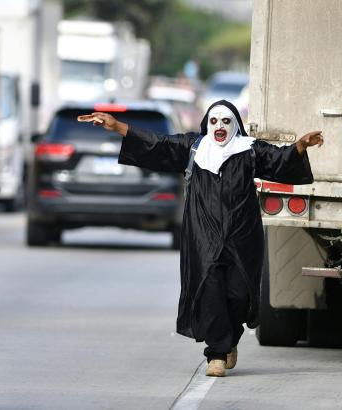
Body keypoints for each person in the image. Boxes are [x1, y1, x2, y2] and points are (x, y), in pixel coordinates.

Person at [78, 100, 323, 377]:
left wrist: (301, 145)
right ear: (207, 123)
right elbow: (157, 144)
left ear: (235, 125)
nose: (220, 126)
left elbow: (280, 159)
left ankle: (230, 340)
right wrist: (117, 126)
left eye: (226, 121)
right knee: (210, 290)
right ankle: (216, 354)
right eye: (215, 121)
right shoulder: (194, 147)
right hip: (203, 235)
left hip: (242, 236)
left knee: (239, 294)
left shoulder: (250, 150)